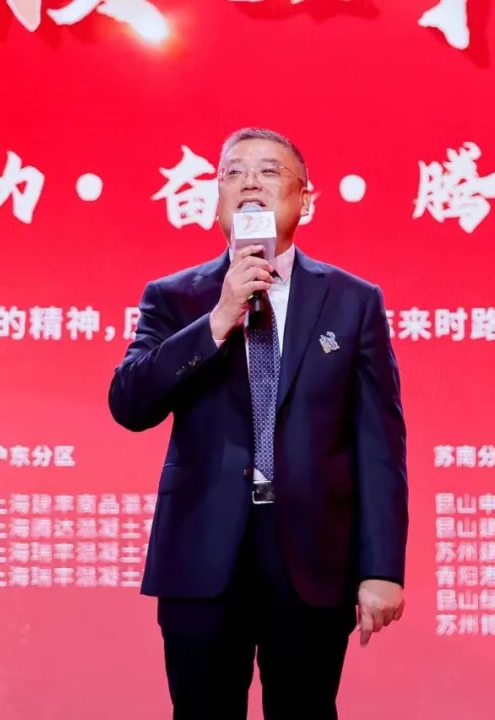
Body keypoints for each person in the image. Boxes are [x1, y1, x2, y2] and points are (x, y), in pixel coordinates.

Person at [108, 127, 408, 720]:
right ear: (217, 199)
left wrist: (381, 569)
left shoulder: (353, 300)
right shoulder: (174, 298)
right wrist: (217, 320)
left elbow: (379, 445)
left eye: (269, 171)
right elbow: (130, 404)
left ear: (306, 199)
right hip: (202, 554)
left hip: (311, 558)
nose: (249, 182)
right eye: (234, 172)